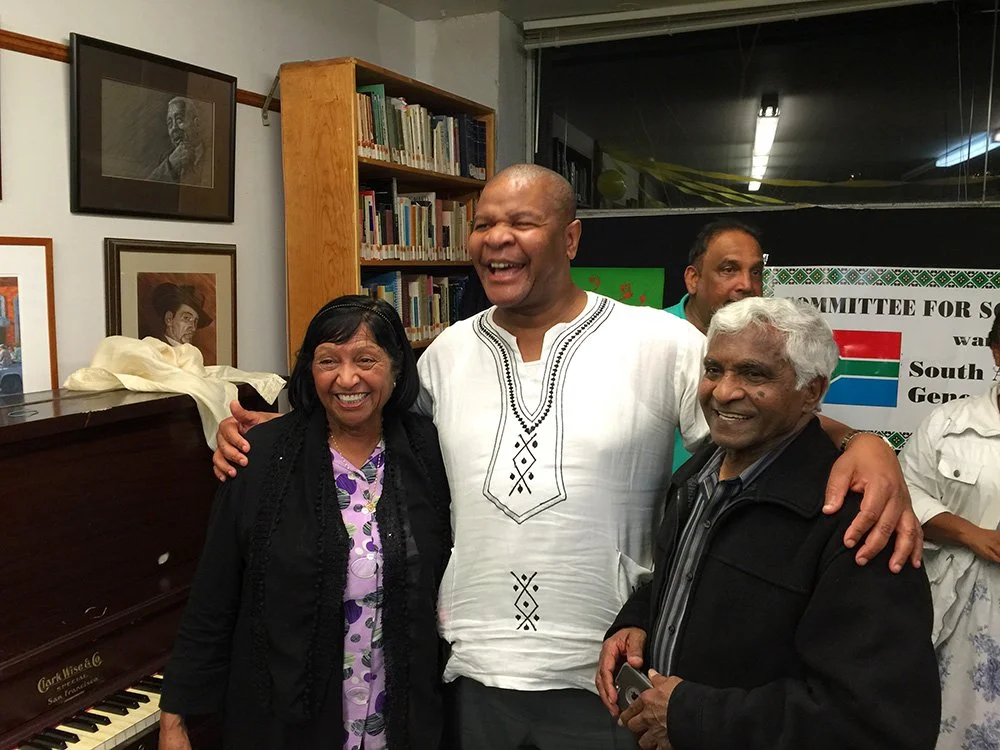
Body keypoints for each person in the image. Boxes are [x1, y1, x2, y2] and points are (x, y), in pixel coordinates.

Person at [212, 165, 920, 749]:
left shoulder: (657, 342)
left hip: (610, 676)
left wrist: (863, 445)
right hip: (470, 670)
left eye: (522, 223)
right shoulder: (449, 352)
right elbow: (369, 429)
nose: (497, 239)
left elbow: (763, 416)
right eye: (484, 224)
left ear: (571, 237)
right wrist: (274, 433)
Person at [601, 297, 940, 750]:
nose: (723, 391)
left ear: (812, 392)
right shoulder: (696, 478)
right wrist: (637, 621)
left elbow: (878, 723)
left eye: (753, 374)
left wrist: (692, 715)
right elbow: (683, 580)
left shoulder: (860, 524)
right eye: (714, 369)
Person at [158, 296, 452, 750]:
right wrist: (174, 718)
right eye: (328, 361)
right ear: (309, 371)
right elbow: (215, 592)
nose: (347, 378)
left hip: (401, 719)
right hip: (287, 724)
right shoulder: (262, 456)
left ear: (396, 368)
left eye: (366, 360)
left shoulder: (428, 451)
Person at [898, 309, 1000, 749]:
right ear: (996, 351)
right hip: (955, 611)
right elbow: (906, 494)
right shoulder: (950, 424)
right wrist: (972, 534)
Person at [664, 218, 765, 472]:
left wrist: (851, 439)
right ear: (693, 279)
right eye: (729, 270)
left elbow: (786, 420)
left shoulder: (768, 346)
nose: (747, 285)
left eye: (756, 272)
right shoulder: (651, 336)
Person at [149, 96, 212, 187]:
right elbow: (148, 188)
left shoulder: (212, 157)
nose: (174, 128)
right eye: (170, 123)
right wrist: (171, 165)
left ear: (196, 124)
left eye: (179, 120)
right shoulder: (166, 159)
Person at [151, 282, 212, 347]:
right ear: (169, 319)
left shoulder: (191, 351)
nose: (193, 328)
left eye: (195, 321)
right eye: (186, 318)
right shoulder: (153, 348)